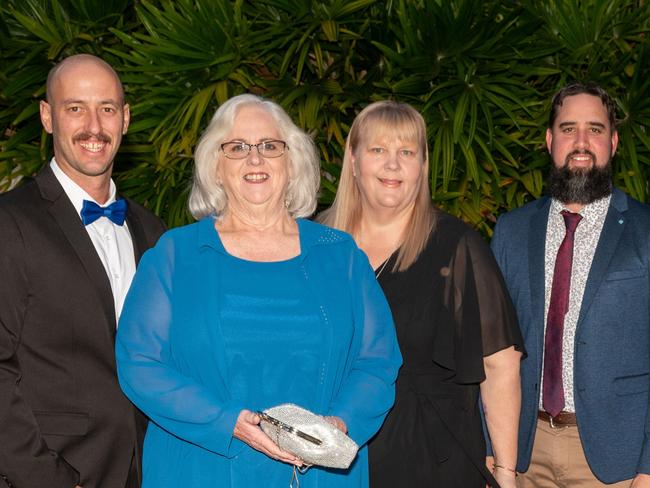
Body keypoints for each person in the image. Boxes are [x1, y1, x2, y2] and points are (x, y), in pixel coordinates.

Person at [114, 93, 402, 488]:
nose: (255, 159)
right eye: (237, 148)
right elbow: (139, 363)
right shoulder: (175, 255)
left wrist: (338, 424)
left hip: (319, 474)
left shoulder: (340, 257)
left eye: (270, 146)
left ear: (292, 161)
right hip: (201, 470)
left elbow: (377, 361)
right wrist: (225, 422)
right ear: (215, 166)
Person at [319, 100, 524, 488]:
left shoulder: (456, 245)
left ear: (422, 164)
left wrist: (505, 474)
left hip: (431, 457)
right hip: (331, 455)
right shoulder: (314, 244)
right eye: (378, 150)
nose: (392, 164)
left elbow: (500, 365)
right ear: (353, 158)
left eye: (407, 152)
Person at [0, 54, 165, 488]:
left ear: (125, 119)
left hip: (147, 470)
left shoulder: (151, 231)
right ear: (47, 116)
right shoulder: (10, 224)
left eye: (107, 108)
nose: (94, 126)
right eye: (75, 108)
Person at [491, 82, 650, 487]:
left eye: (595, 129)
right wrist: (493, 449)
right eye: (568, 129)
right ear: (549, 140)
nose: (581, 141)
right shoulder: (511, 231)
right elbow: (490, 348)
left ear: (613, 142)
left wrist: (648, 469)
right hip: (524, 451)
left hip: (616, 461)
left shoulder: (644, 231)